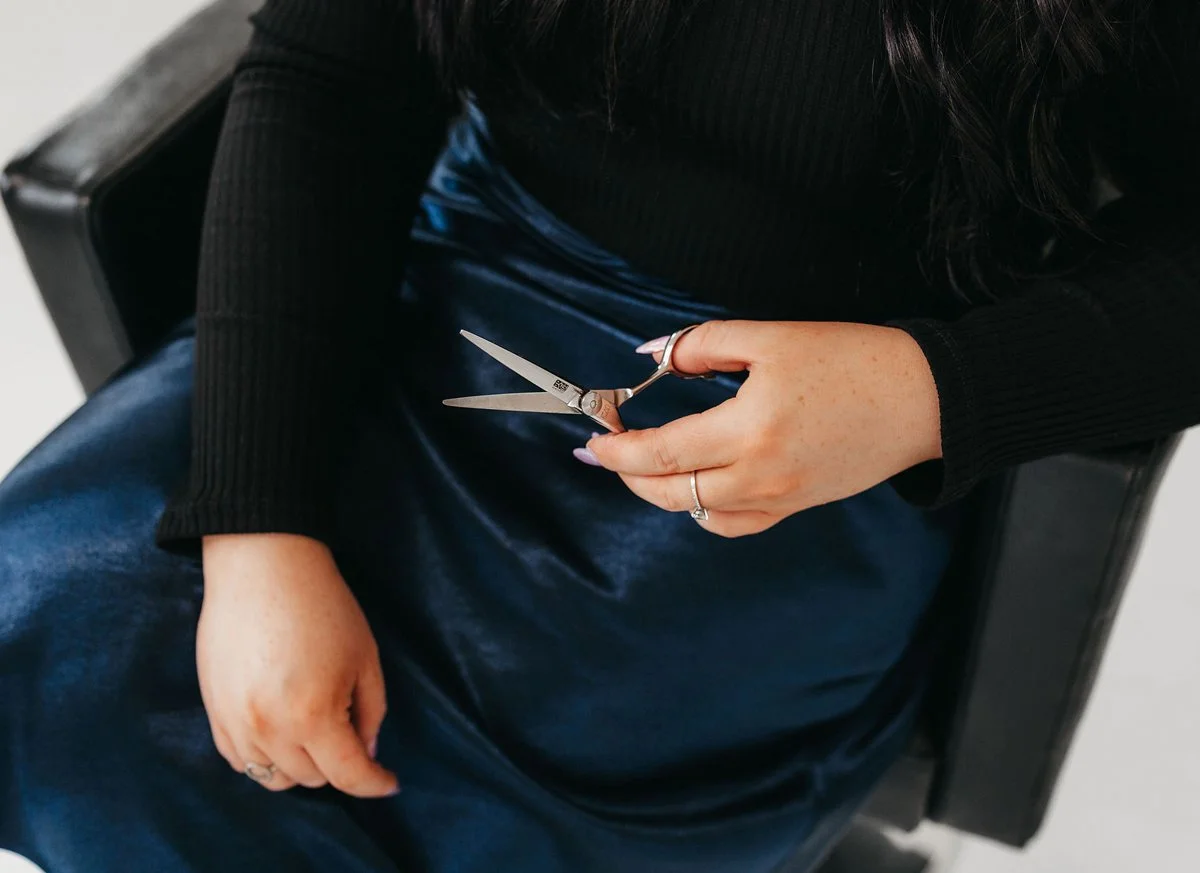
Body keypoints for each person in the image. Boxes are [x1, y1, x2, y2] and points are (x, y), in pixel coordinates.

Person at [1, 1, 1198, 871]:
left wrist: (933, 391)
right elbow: (330, 76)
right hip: (449, 277)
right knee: (57, 635)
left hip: (818, 426)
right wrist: (257, 526)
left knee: (538, 794)